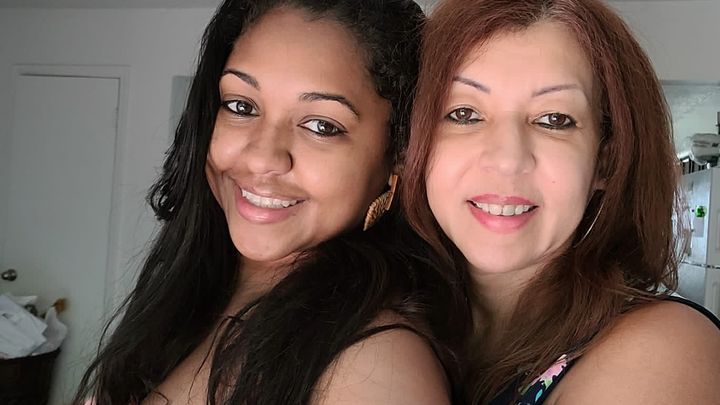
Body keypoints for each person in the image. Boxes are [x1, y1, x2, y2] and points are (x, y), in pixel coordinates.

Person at [73, 1, 469, 404]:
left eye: (321, 126)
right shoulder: (193, 291)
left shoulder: (376, 367)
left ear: (398, 153)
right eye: (241, 106)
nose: (262, 158)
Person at [402, 0, 720, 404]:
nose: (507, 159)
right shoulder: (383, 309)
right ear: (409, 145)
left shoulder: (665, 352)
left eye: (554, 119)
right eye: (464, 114)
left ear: (605, 161)